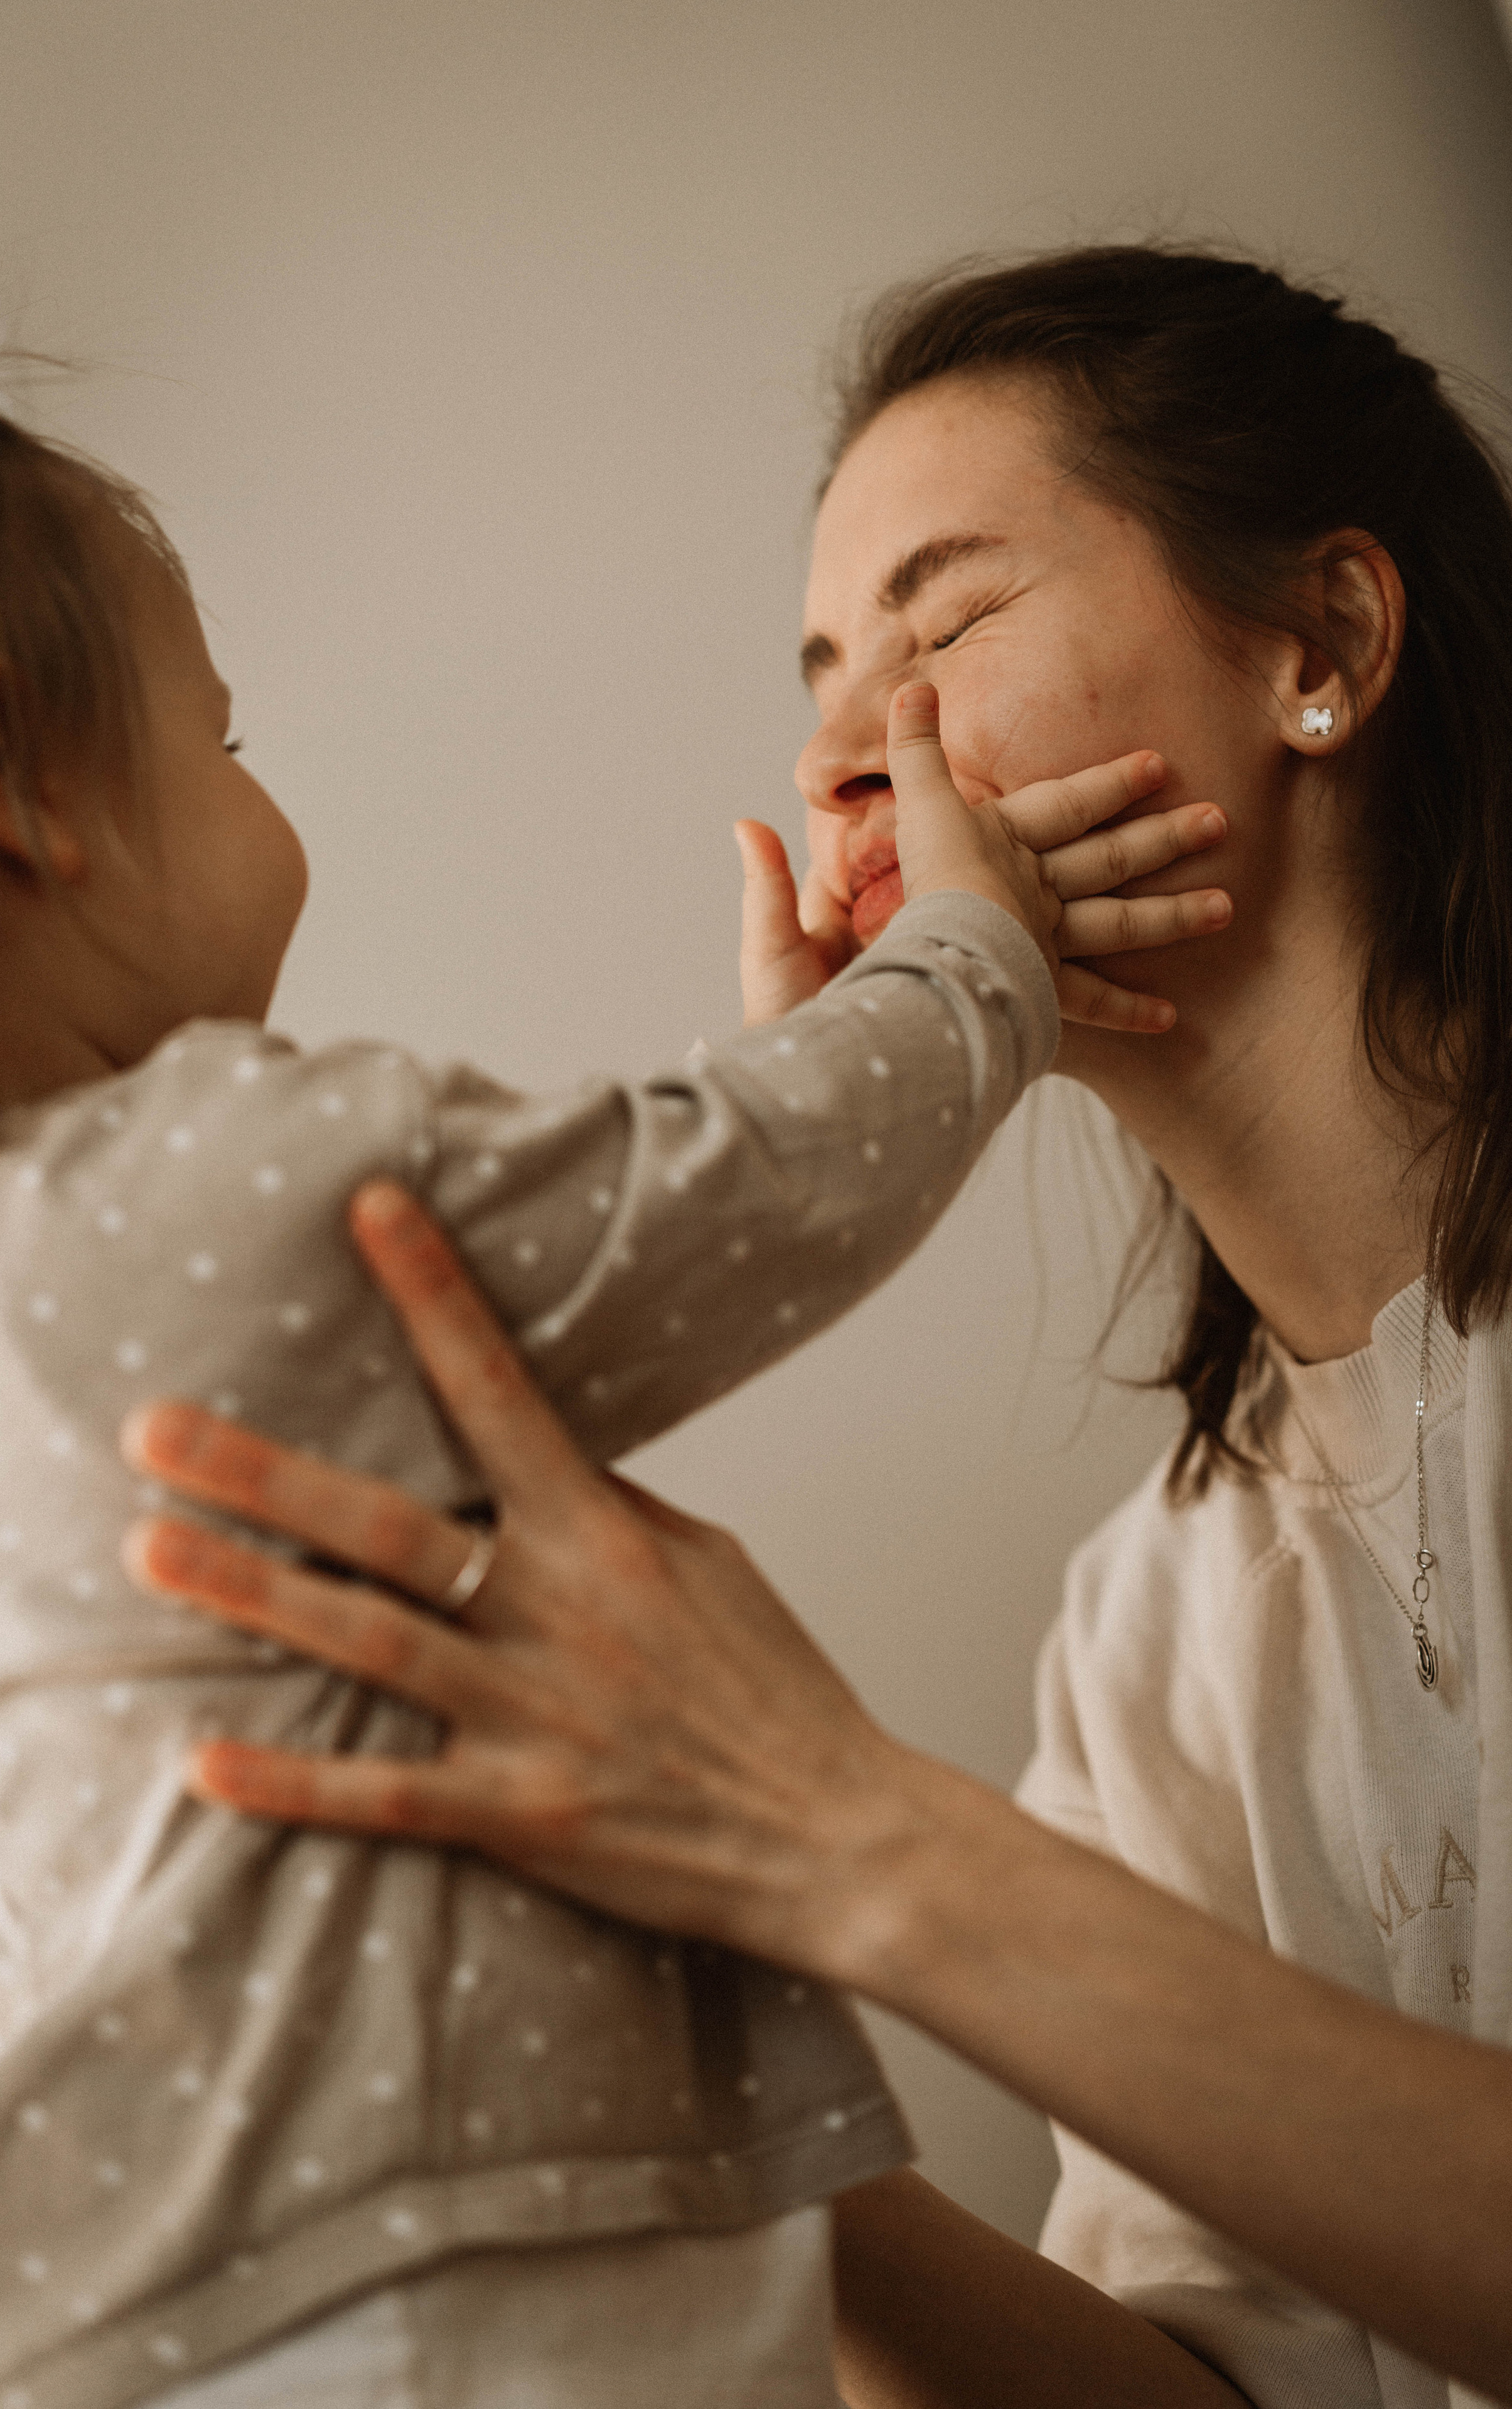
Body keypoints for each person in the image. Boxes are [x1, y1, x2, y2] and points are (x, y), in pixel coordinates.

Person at [126, 248, 1512, 2409]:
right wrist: (681, 2046)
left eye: (943, 629)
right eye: (825, 671)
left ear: (1322, 645)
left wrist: (837, 1824)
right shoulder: (1158, 1625)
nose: (846, 752)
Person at [0, 374, 1225, 2409]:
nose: (854, 747)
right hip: (413, 2291)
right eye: (223, 741)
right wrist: (975, 954)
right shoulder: (199, 1183)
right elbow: (752, 1190)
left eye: (949, 627)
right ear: (18, 782)